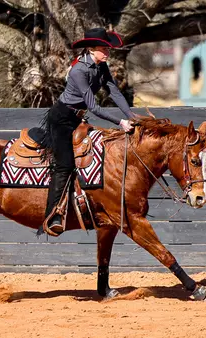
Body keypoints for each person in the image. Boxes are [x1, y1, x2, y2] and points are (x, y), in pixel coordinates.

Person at [39, 27, 135, 234]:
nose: (107, 53)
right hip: (62, 119)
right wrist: (121, 122)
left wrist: (132, 116)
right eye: (103, 49)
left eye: (108, 49)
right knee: (64, 164)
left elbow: (115, 92)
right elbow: (93, 106)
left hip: (77, 117)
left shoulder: (101, 66)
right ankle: (53, 214)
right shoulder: (79, 70)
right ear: (91, 49)